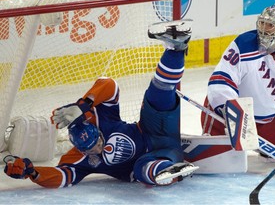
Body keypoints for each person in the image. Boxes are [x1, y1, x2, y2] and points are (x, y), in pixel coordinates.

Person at [3, 20, 198, 188]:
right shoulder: (77, 159)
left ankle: (177, 47)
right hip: (155, 158)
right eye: (90, 149)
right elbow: (62, 177)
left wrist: (83, 104)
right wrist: (34, 173)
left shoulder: (99, 117)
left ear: (96, 131)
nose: (97, 150)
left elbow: (110, 85)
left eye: (97, 142)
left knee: (157, 95)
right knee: (140, 171)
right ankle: (170, 169)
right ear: (80, 149)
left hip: (151, 129)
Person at [201, 3, 275, 155]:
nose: (263, 29)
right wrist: (233, 114)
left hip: (269, 120)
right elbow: (221, 81)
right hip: (228, 115)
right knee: (222, 161)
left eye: (270, 25)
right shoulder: (244, 44)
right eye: (262, 23)